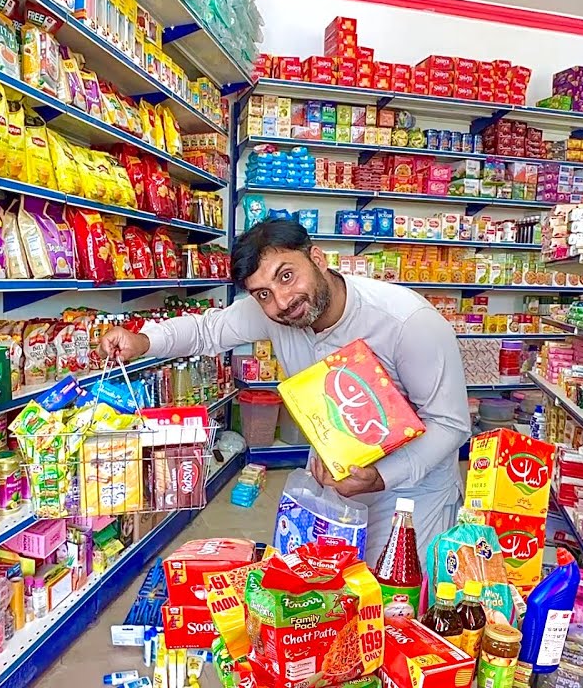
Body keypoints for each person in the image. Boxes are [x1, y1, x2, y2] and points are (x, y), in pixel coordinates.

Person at [99, 220, 472, 562]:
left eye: (288, 276)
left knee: (397, 607)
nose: (281, 301)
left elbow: (450, 424)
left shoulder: (407, 322)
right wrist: (143, 340)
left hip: (410, 495)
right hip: (332, 482)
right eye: (262, 293)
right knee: (330, 600)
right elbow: (206, 331)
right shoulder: (273, 312)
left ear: (318, 259)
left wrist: (381, 477)